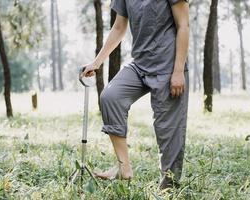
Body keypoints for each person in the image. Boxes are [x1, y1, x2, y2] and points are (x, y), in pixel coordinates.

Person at [80, 0, 189, 190]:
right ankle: (124, 168)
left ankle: (169, 187)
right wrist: (97, 62)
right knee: (110, 97)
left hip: (168, 65)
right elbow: (119, 27)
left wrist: (178, 70)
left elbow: (183, 25)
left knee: (168, 131)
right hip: (140, 64)